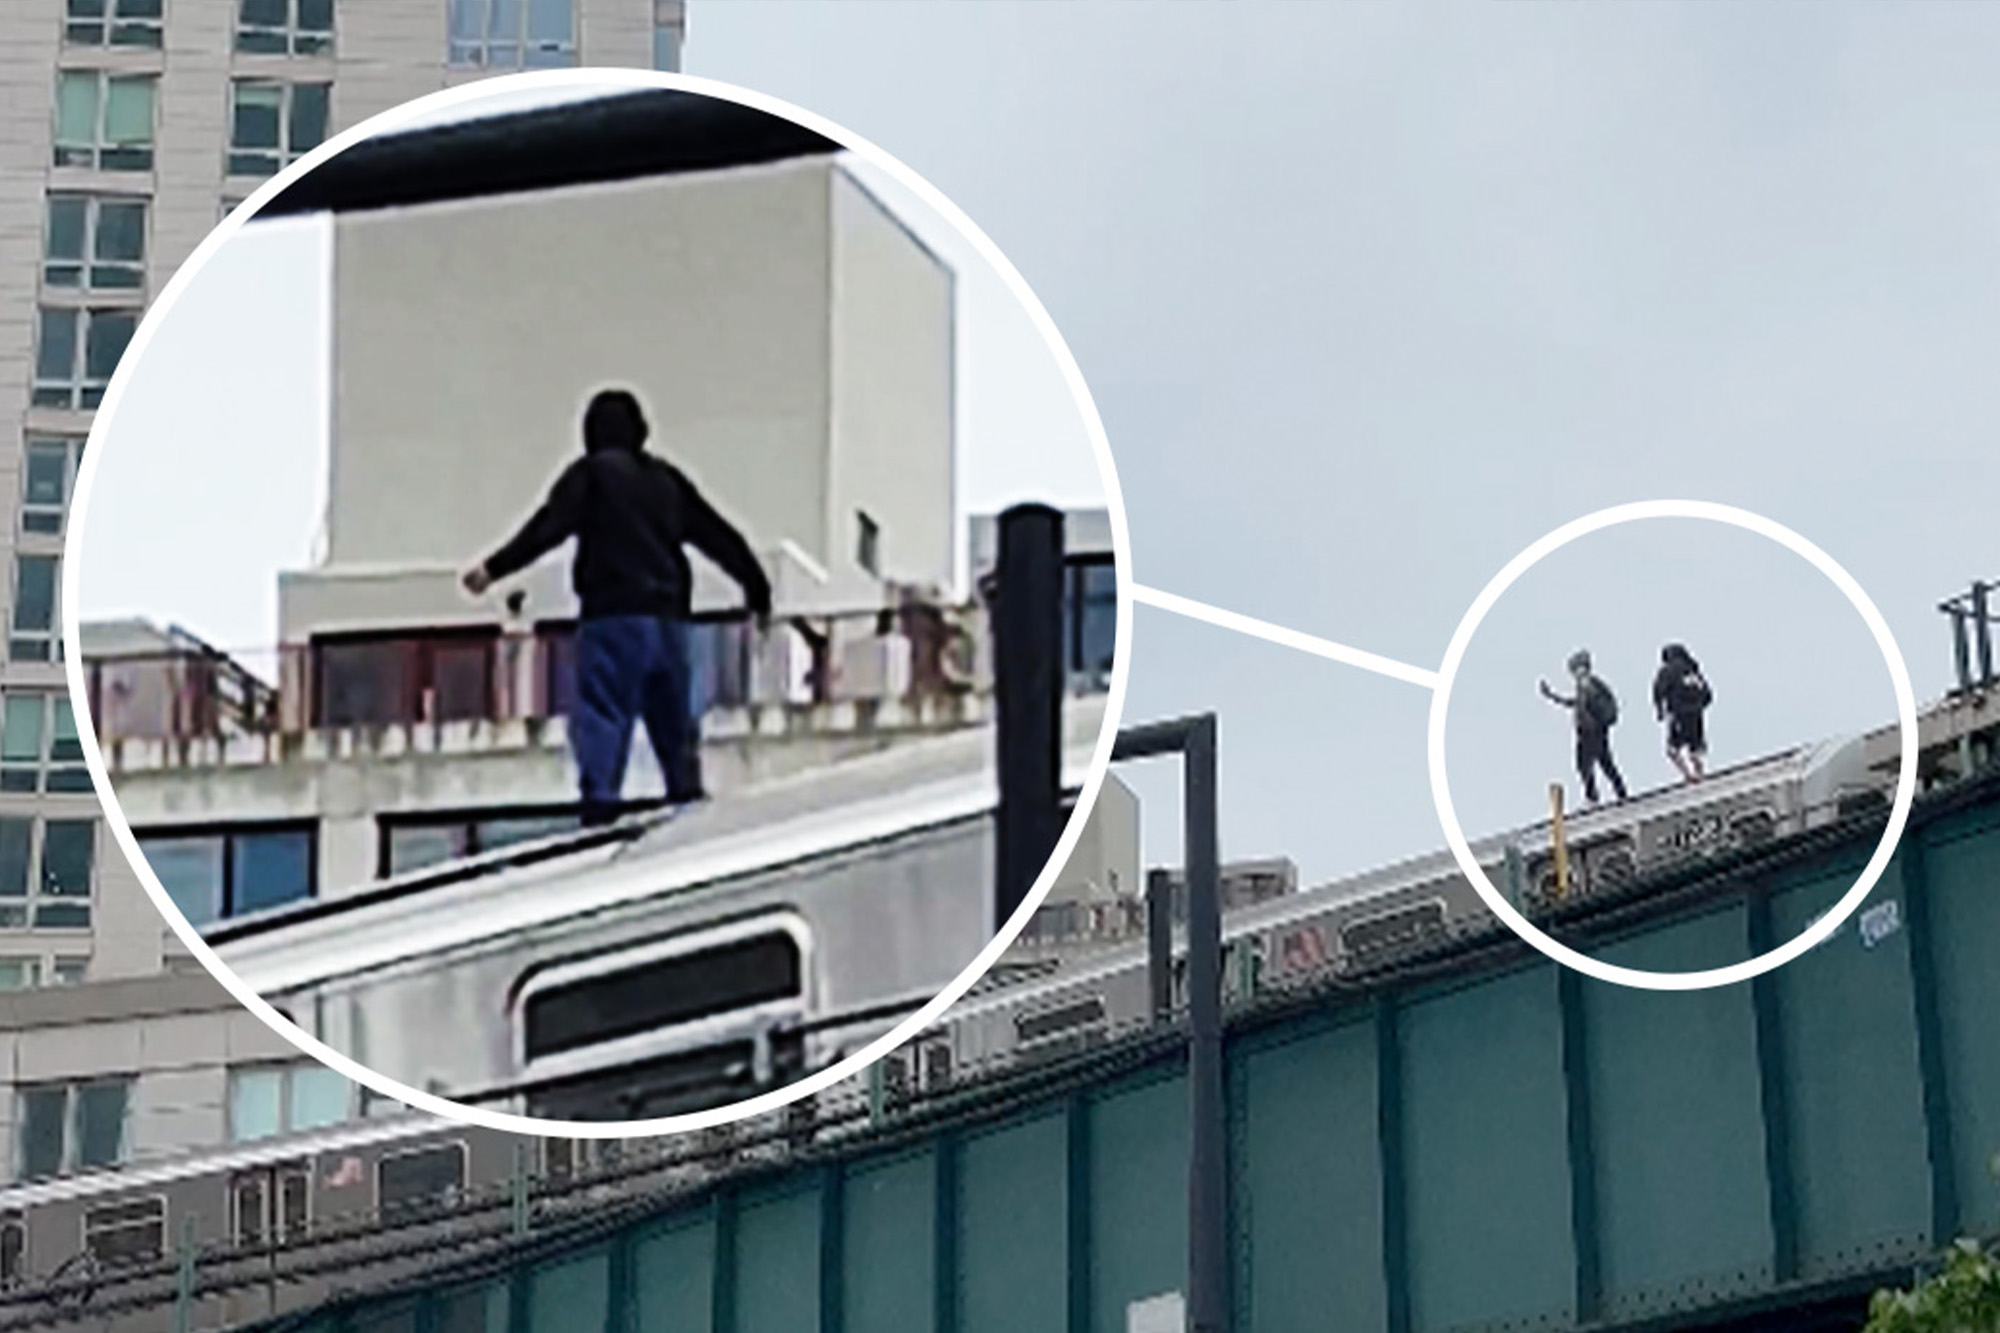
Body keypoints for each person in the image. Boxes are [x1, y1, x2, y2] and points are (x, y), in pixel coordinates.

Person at [463, 388, 772, 826]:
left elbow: (546, 528)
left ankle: (600, 812)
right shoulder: (668, 482)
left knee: (604, 716)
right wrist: (757, 590)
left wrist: (493, 569)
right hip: (670, 623)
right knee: (675, 726)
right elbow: (720, 536)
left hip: (613, 618)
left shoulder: (591, 476)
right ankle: (687, 805)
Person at [1539, 649, 1628, 806]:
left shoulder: (1586, 683)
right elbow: (1574, 702)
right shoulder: (1589, 684)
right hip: (1596, 730)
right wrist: (1552, 696)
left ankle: (1593, 796)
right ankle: (1619, 792)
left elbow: (1582, 703)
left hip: (1590, 731)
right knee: (1604, 763)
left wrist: (1553, 697)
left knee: (1585, 763)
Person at [1652, 642, 1713, 782]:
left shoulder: (1667, 671)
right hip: (1696, 714)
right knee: (1695, 747)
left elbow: (1658, 691)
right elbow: (1708, 694)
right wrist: (1699, 706)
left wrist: (1660, 711)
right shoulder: (1692, 670)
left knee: (1672, 749)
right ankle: (1700, 772)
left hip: (1678, 713)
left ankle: (1687, 774)